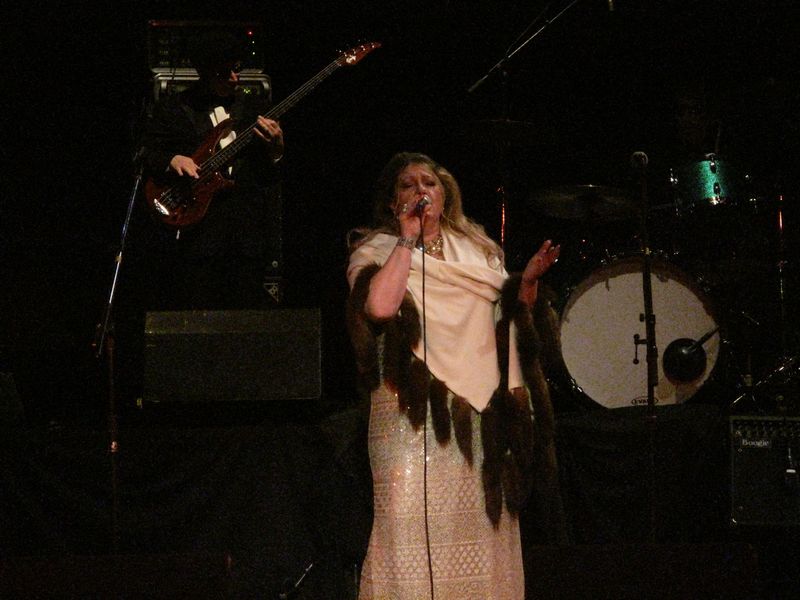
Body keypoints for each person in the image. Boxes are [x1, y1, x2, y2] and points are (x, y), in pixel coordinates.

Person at [346, 152, 565, 599]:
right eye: (408, 185)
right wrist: (406, 240)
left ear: (445, 197)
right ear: (392, 203)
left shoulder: (479, 252)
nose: (420, 191)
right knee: (406, 527)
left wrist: (525, 285)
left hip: (478, 417)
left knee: (480, 535)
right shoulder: (375, 251)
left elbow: (507, 325)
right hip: (408, 412)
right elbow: (381, 308)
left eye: (429, 183)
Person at [114, 31, 285, 402]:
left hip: (245, 234)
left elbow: (268, 175)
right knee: (197, 318)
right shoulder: (176, 108)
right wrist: (172, 160)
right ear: (205, 72)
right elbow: (143, 153)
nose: (235, 79)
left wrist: (276, 150)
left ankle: (244, 396)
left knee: (244, 322)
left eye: (237, 70)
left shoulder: (252, 110)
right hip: (198, 232)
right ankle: (195, 396)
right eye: (225, 72)